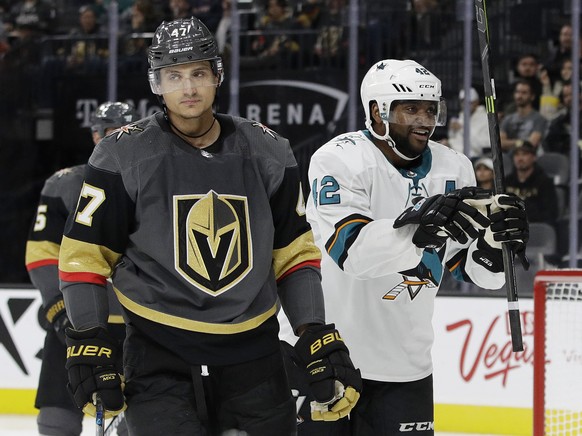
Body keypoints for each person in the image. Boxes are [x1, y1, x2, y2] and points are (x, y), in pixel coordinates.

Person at [58, 16, 361, 436]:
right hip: (157, 350)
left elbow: (294, 254)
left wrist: (312, 331)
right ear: (155, 83)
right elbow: (84, 258)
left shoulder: (268, 150)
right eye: (174, 76)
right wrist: (89, 340)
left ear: (217, 75)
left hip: (254, 351)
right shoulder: (120, 155)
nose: (188, 87)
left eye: (199, 73)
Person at [298, 59, 529, 435]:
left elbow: (473, 272)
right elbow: (351, 253)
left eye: (430, 109)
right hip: (330, 357)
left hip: (407, 366)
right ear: (377, 111)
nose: (425, 120)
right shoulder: (339, 158)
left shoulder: (455, 168)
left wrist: (493, 246)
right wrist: (421, 230)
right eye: (411, 109)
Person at [24, 101, 138, 436]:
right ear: (95, 135)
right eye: (110, 133)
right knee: (56, 420)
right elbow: (43, 253)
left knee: (140, 421)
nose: (117, 140)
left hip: (141, 325)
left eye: (125, 133)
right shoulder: (63, 185)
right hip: (77, 321)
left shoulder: (157, 181)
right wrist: (59, 309)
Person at [505, 140, 559, 228]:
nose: (520, 158)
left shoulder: (544, 182)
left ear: (534, 157)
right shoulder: (507, 181)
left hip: (535, 229)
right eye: (517, 154)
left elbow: (550, 214)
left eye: (524, 154)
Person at [499, 79, 547, 153]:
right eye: (517, 92)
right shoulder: (508, 119)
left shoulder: (539, 119)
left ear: (532, 96)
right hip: (508, 158)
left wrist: (509, 143)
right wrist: (520, 142)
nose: (519, 96)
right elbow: (500, 143)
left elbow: (531, 143)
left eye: (524, 93)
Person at [446, 87, 491, 158]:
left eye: (469, 102)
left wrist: (461, 129)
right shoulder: (460, 118)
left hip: (473, 158)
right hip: (454, 155)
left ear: (477, 102)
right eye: (462, 102)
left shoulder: (485, 119)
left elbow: (482, 146)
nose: (465, 105)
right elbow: (454, 139)